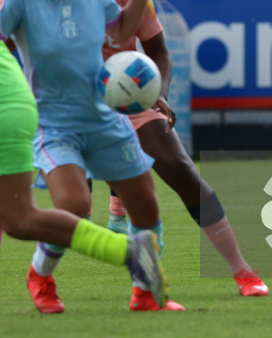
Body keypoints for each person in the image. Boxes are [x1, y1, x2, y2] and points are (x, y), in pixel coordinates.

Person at [69, 0, 269, 297]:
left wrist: (157, 91)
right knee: (70, 207)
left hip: (128, 95)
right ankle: (45, 277)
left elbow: (158, 52)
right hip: (72, 101)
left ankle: (243, 271)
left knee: (181, 170)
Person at [0, 0, 181, 312]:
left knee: (146, 207)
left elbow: (119, 34)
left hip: (103, 118)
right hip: (53, 124)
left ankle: (145, 291)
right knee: (74, 205)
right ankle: (41, 276)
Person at [0, 42, 168, 312]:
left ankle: (132, 258)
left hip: (26, 107)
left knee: (21, 218)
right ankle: (131, 256)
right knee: (45, 211)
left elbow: (124, 30)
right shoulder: (21, 2)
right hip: (23, 104)